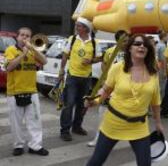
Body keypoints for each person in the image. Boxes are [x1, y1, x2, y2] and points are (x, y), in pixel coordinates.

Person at [85, 34, 164, 166]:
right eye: (137, 44)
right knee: (96, 161)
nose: (142, 46)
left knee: (145, 163)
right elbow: (105, 90)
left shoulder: (153, 72)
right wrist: (95, 101)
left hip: (138, 126)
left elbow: (155, 101)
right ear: (129, 49)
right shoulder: (118, 68)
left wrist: (158, 122)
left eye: (145, 44)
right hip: (114, 122)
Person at [5, 27, 49, 156]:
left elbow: (44, 61)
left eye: (28, 36)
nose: (24, 37)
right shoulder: (10, 50)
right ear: (17, 37)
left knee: (35, 120)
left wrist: (32, 49)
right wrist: (23, 54)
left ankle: (35, 146)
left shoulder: (32, 51)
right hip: (14, 92)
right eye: (22, 35)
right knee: (16, 122)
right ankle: (18, 145)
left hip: (32, 91)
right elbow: (9, 67)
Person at [59, 17, 102, 141]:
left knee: (82, 104)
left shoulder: (94, 42)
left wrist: (91, 61)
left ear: (86, 28)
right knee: (69, 104)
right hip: (72, 76)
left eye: (79, 26)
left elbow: (99, 58)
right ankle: (65, 130)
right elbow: (65, 55)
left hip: (86, 77)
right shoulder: (72, 39)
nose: (76, 28)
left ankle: (77, 126)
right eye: (76, 25)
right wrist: (61, 70)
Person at [87, 30, 129, 147]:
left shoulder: (132, 53)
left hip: (126, 91)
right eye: (123, 41)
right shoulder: (110, 52)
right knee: (103, 113)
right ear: (117, 41)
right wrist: (105, 80)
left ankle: (134, 139)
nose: (126, 43)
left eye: (127, 40)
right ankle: (99, 139)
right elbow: (104, 65)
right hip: (110, 89)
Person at [156, 31, 168, 97]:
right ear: (163, 37)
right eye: (167, 37)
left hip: (158, 66)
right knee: (162, 85)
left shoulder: (158, 45)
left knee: (158, 84)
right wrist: (164, 71)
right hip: (161, 67)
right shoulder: (163, 46)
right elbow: (163, 59)